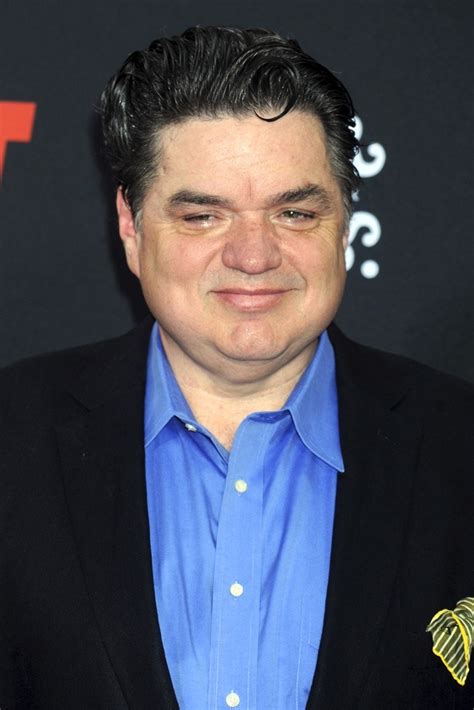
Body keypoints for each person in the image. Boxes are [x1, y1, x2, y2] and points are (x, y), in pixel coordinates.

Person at [0, 26, 472, 710]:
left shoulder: (460, 444)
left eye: (295, 212)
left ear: (343, 220)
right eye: (202, 216)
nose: (254, 255)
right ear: (131, 227)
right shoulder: (12, 437)